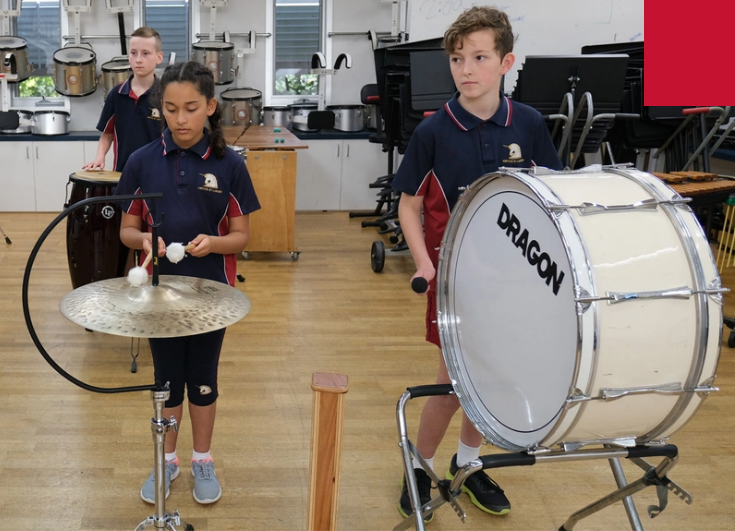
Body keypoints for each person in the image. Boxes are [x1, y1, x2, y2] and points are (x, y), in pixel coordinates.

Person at [392, 6, 562, 523]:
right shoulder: (433, 131)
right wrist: (425, 264)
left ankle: (467, 464)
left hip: (515, 284)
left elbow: (550, 195)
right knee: (451, 387)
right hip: (455, 283)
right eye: (457, 59)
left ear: (506, 62)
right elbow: (408, 205)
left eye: (480, 58)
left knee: (490, 383)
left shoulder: (528, 124)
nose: (466, 69)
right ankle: (418, 467)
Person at [114, 61, 261, 505]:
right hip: (157, 295)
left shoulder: (229, 164)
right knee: (166, 380)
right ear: (161, 108)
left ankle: (202, 459)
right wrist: (145, 239)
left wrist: (213, 243)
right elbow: (127, 230)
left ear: (210, 107)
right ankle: (167, 459)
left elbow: (241, 236)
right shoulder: (141, 161)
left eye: (191, 109)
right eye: (172, 109)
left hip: (212, 294)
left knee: (202, 378)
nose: (181, 119)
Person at [83, 26, 164, 171]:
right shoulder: (116, 94)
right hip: (123, 173)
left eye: (145, 53)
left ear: (159, 57)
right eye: (133, 53)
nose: (138, 59)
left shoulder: (166, 95)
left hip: (157, 174)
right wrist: (100, 157)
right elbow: (107, 133)